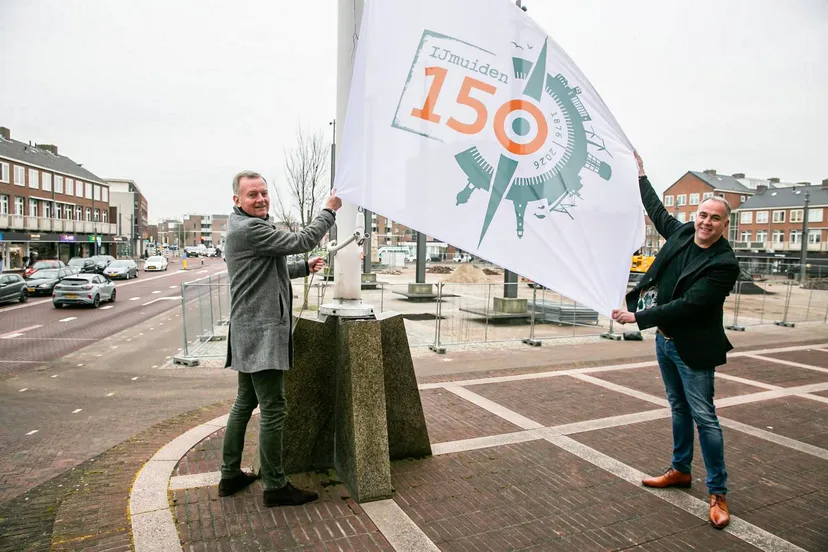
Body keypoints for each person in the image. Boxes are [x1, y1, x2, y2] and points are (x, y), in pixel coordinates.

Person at [612, 152, 739, 530]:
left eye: (715, 218)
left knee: (705, 417)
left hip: (693, 347)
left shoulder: (723, 263)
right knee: (678, 408)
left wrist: (639, 317)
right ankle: (680, 470)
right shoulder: (683, 233)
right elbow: (658, 209)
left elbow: (689, 305)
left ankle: (718, 492)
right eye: (702, 215)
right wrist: (641, 176)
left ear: (724, 225)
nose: (705, 222)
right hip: (666, 343)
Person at [218, 170, 341, 508]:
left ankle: (229, 475)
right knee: (274, 409)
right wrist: (329, 211)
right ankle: (275, 485)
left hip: (247, 331)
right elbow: (302, 239)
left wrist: (303, 267)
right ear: (237, 200)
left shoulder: (242, 228)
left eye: (263, 193)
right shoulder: (252, 229)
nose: (260, 199)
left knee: (245, 403)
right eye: (252, 194)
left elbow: (268, 269)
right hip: (261, 335)